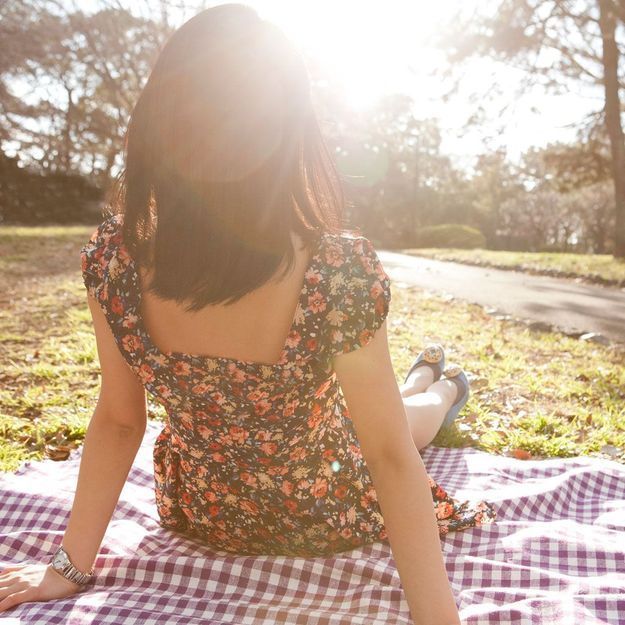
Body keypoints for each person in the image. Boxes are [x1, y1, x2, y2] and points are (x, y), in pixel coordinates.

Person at [0, 4, 496, 623]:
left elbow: (121, 420)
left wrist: (66, 567)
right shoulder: (331, 268)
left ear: (156, 119)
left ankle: (440, 384)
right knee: (393, 419)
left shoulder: (115, 259)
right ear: (288, 132)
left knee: (399, 415)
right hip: (328, 505)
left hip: (199, 508)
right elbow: (388, 456)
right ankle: (439, 382)